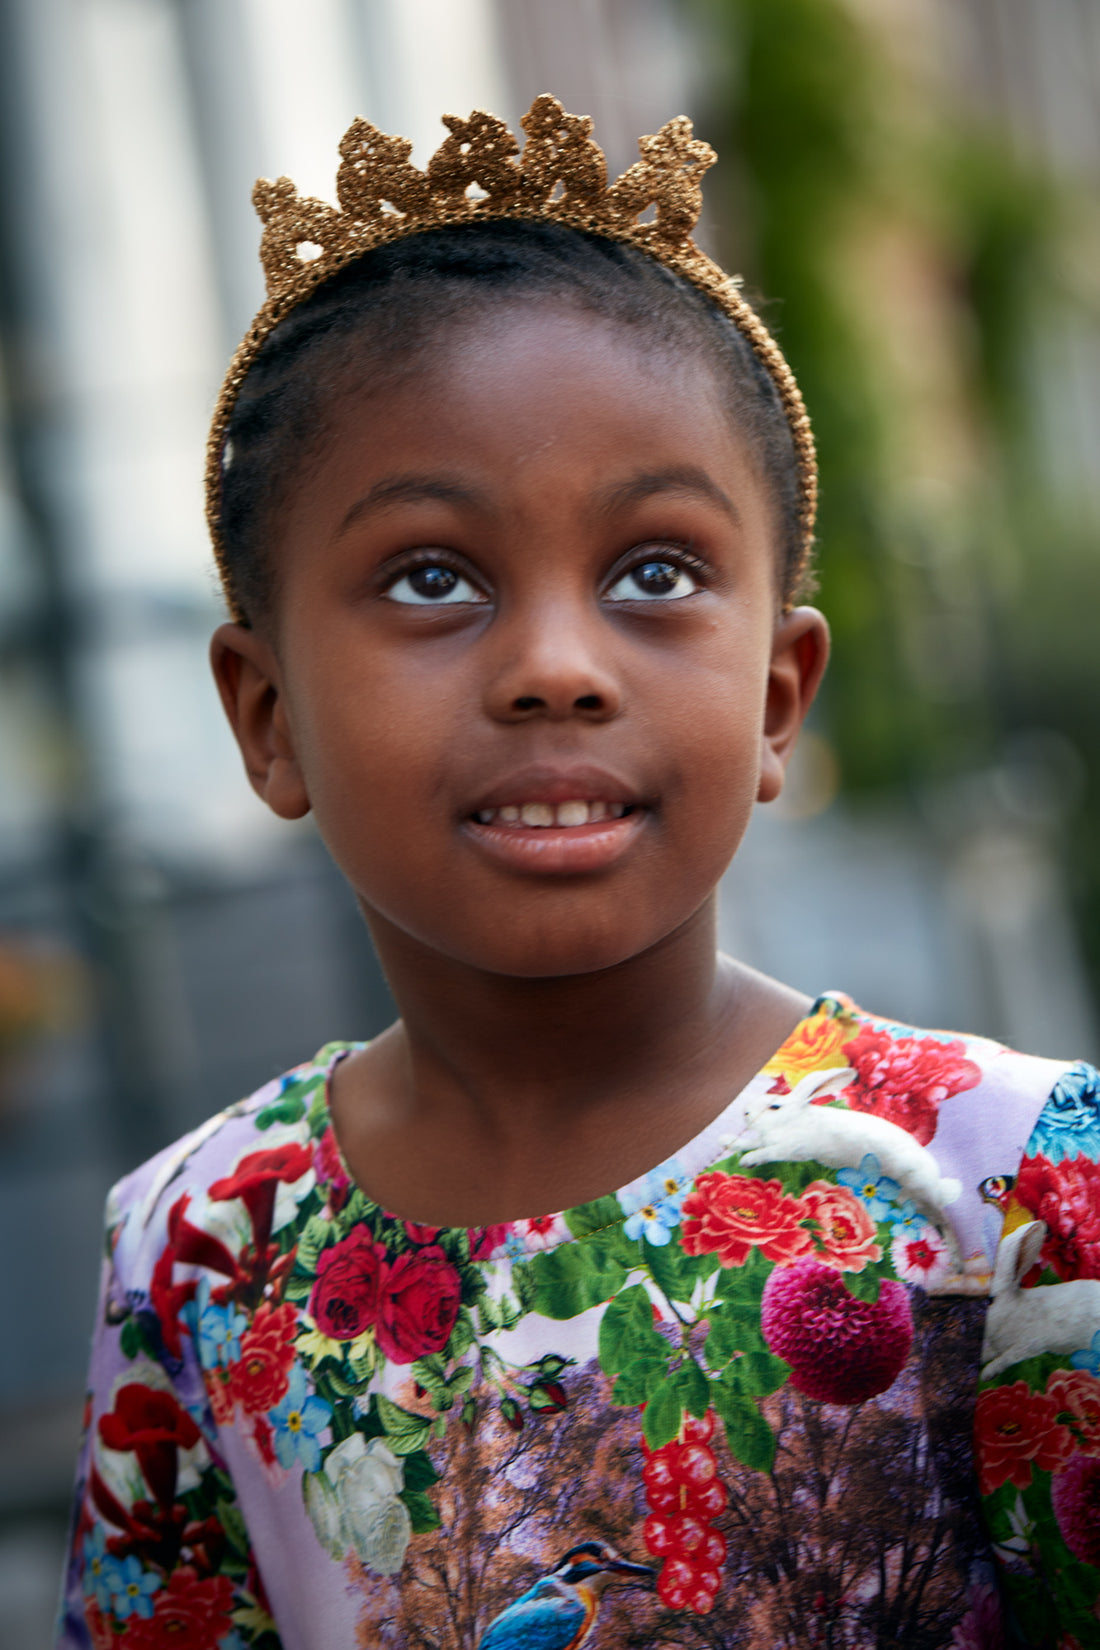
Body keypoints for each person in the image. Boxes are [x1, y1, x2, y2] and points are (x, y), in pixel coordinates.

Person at [58, 98, 1100, 1650]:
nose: (556, 665)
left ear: (774, 699)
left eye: (654, 571)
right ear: (267, 719)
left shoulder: (1012, 1183)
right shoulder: (196, 1243)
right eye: (433, 576)